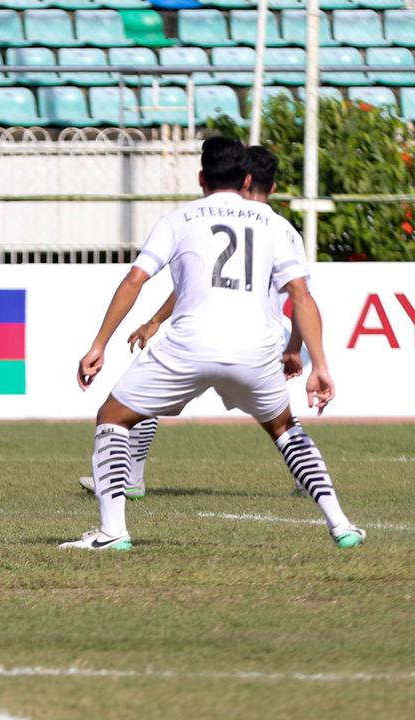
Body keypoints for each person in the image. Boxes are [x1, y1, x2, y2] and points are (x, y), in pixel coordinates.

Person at [63, 136, 365, 551]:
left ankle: (113, 530)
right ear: (246, 179)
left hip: (190, 343)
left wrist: (99, 344)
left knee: (113, 417)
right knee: (285, 429)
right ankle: (341, 524)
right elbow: (301, 295)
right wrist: (321, 366)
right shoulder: (276, 225)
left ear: (201, 177)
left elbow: (136, 279)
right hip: (257, 348)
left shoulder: (178, 220)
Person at [76, 145, 306, 500]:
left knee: (135, 396)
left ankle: (128, 483)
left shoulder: (208, 219)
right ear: (272, 187)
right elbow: (302, 298)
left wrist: (149, 323)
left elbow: (193, 284)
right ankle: (314, 485)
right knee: (281, 422)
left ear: (243, 182)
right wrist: (296, 348)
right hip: (264, 339)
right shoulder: (285, 230)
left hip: (215, 334)